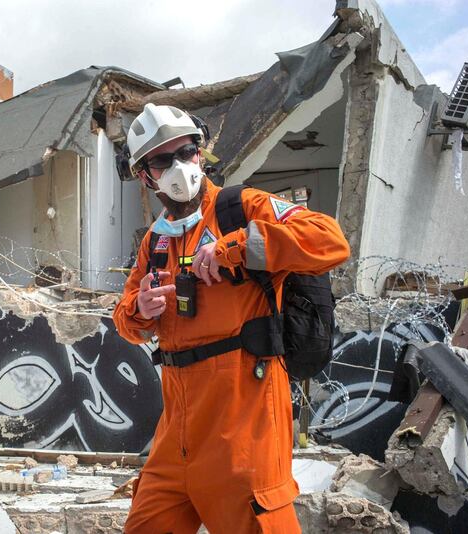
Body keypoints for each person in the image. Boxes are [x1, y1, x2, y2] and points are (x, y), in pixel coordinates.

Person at [113, 103, 350, 533]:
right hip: (175, 437)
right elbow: (125, 319)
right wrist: (139, 311)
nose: (179, 166)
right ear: (143, 174)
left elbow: (330, 240)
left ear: (200, 154)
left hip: (247, 428)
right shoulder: (155, 242)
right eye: (163, 160)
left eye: (186, 152)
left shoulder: (240, 207)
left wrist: (236, 247)